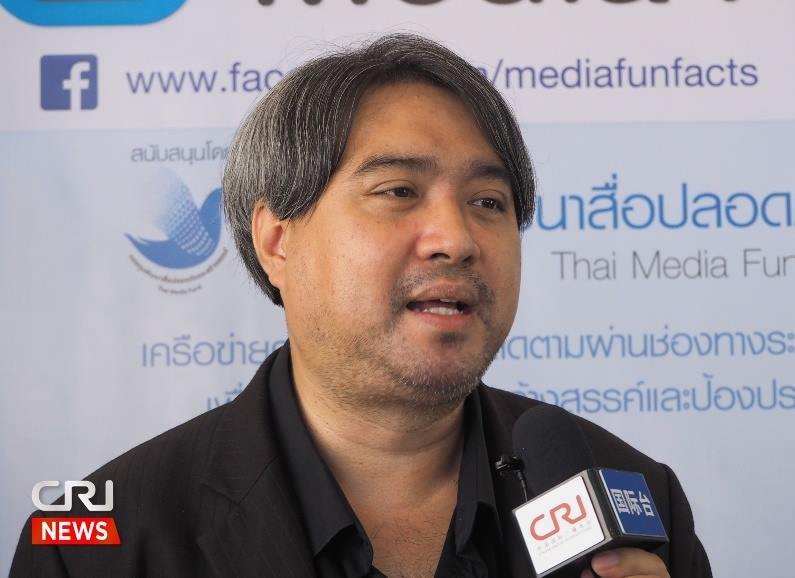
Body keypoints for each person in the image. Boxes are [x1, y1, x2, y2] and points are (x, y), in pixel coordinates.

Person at [11, 34, 711, 578]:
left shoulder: (637, 502)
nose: (457, 239)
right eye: (399, 192)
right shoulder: (100, 540)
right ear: (277, 240)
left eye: (487, 202)